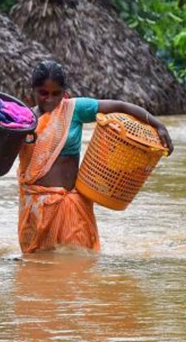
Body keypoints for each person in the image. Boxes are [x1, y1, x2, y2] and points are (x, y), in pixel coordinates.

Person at [17, 60, 174, 254]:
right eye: (43, 93)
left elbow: (122, 107)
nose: (50, 99)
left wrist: (158, 125)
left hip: (72, 205)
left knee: (77, 264)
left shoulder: (74, 109)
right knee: (35, 267)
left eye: (56, 93)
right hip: (35, 205)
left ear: (64, 91)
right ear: (33, 90)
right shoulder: (23, 121)